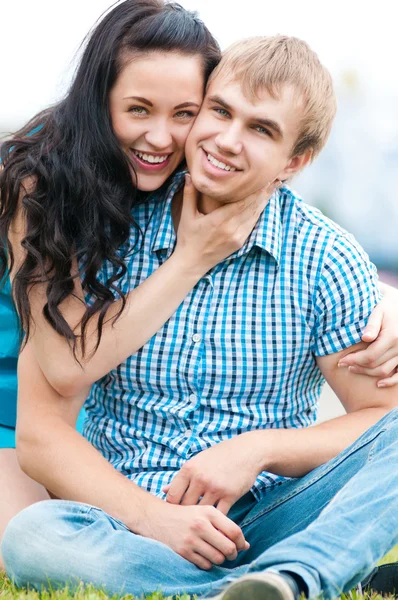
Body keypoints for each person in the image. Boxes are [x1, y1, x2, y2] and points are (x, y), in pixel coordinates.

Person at [3, 32, 398, 598]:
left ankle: (292, 575)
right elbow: (46, 423)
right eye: (219, 111)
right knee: (34, 538)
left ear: (296, 160)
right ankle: (275, 585)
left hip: (272, 514)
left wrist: (261, 447)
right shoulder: (111, 229)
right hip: (131, 520)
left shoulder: (324, 257)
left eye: (261, 129)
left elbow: (379, 422)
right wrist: (153, 518)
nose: (227, 140)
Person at [0, 0, 276, 569]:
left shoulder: (197, 167)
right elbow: (66, 365)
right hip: (18, 412)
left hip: (106, 425)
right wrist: (190, 258)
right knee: (27, 545)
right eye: (138, 109)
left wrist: (385, 308)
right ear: (100, 102)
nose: (160, 137)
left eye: (185, 113)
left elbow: (296, 231)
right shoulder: (38, 178)